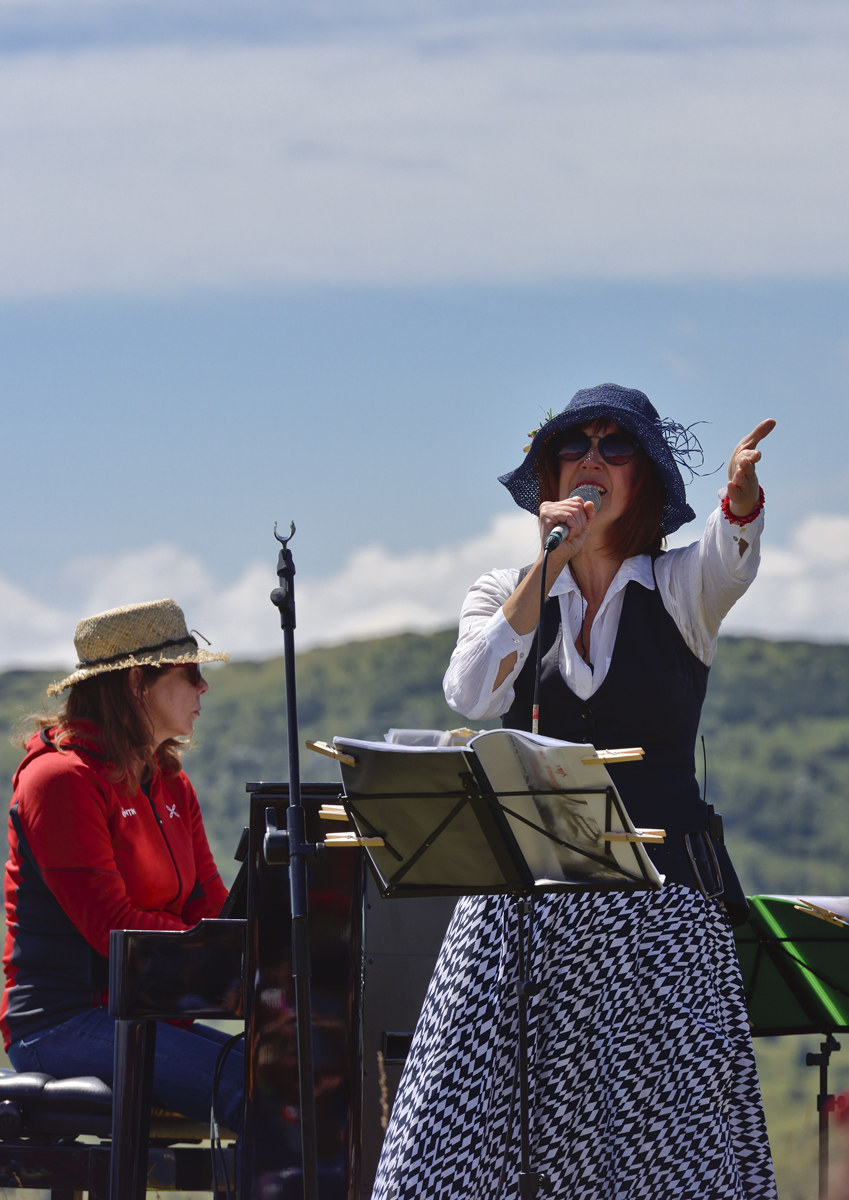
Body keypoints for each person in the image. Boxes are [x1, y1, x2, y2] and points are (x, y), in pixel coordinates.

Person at [371, 384, 778, 1200]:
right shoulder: (504, 591)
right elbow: (474, 694)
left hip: (659, 911)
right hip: (526, 908)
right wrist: (549, 563)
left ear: (645, 479)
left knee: (660, 1147)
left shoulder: (676, 587)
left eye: (614, 446)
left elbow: (730, 556)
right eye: (574, 447)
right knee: (457, 1132)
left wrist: (741, 503)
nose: (591, 459)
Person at [1, 597, 243, 1142]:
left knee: (302, 1078)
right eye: (191, 672)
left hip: (143, 1017)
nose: (203, 687)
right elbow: (116, 929)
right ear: (139, 682)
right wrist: (226, 948)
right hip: (61, 1025)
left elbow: (211, 903)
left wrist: (267, 948)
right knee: (256, 1087)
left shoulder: (171, 782)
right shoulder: (58, 781)